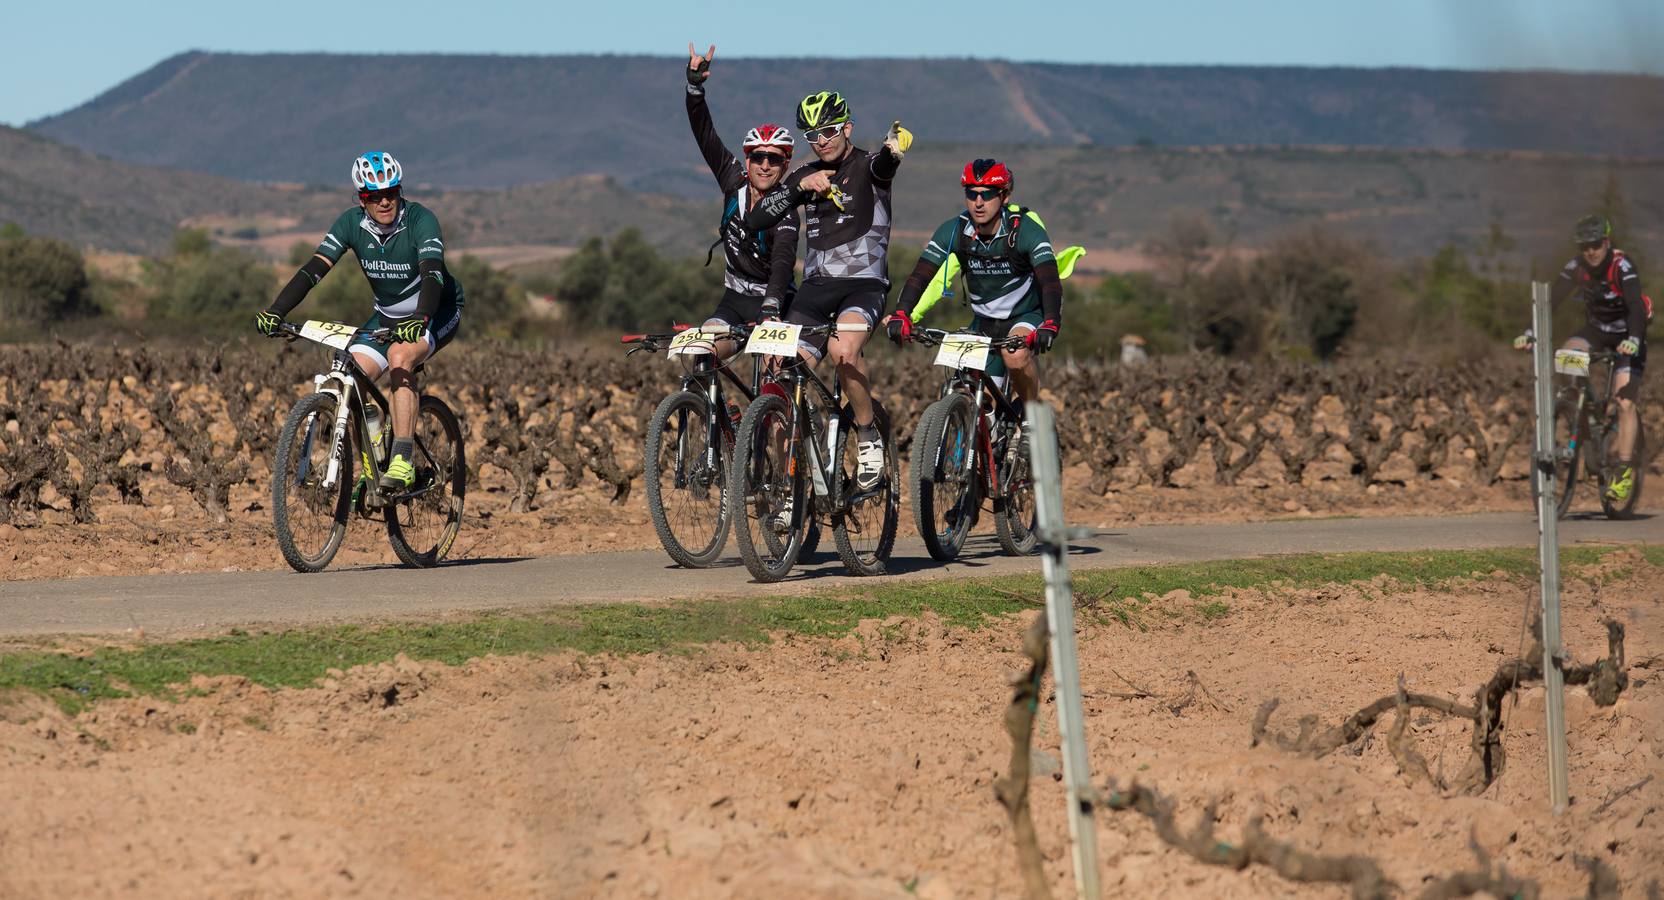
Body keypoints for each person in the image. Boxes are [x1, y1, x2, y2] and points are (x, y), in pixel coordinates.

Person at [255, 151, 465, 491]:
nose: (384, 202)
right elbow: (314, 270)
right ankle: (374, 450)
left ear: (400, 190)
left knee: (400, 357)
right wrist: (277, 310)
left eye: (391, 192)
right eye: (373, 196)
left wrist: (421, 317)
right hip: (386, 317)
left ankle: (403, 460)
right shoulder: (351, 224)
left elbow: (433, 275)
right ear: (361, 198)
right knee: (347, 376)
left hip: (436, 310)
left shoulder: (420, 220)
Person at [741, 91, 912, 491]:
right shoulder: (804, 174)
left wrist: (895, 146)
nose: (821, 141)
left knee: (844, 351)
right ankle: (793, 484)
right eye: (812, 134)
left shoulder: (869, 167)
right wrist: (800, 187)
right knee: (777, 369)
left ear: (847, 128)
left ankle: (867, 434)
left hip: (863, 286)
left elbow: (888, 163)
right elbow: (756, 220)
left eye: (829, 131)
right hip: (815, 291)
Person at [884, 159, 1065, 407]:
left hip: (1025, 316)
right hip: (983, 322)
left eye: (987, 194)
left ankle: (1030, 417)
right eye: (972, 194)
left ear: (1004, 197)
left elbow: (1050, 281)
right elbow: (921, 275)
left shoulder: (1025, 230)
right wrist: (902, 313)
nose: (978, 202)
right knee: (975, 398)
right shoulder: (954, 230)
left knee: (1015, 355)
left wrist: (1051, 323)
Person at [1513, 214, 1650, 501]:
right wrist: (1529, 330)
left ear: (1607, 242)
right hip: (1597, 330)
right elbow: (1551, 299)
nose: (1591, 251)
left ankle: (1624, 472)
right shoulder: (1576, 267)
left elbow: (1636, 306)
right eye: (1585, 246)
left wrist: (1634, 339)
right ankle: (1580, 413)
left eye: (1596, 244)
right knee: (1565, 357)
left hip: (1628, 334)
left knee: (1624, 402)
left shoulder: (1621, 266)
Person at [683, 43, 800, 355]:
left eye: (774, 159)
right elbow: (705, 135)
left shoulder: (785, 207)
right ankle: (714, 406)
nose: (765, 164)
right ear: (747, 161)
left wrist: (772, 305)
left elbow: (783, 262)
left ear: (785, 165)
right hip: (733, 300)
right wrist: (694, 89)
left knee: (774, 373)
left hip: (775, 300)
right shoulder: (733, 181)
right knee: (702, 353)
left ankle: (774, 405)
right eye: (758, 157)